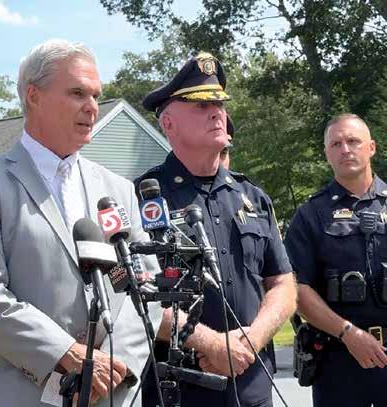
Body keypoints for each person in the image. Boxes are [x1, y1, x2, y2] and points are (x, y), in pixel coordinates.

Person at [0, 39, 161, 407]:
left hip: (112, 394)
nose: (92, 107)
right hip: (23, 396)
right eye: (78, 93)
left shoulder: (118, 190)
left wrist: (114, 367)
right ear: (34, 96)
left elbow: (146, 289)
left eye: (96, 95)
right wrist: (67, 354)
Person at [135, 52, 297, 407]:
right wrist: (210, 344)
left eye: (219, 104)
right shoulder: (143, 198)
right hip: (180, 390)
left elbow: (283, 285)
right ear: (168, 124)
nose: (216, 112)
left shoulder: (252, 197)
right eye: (201, 105)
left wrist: (252, 341)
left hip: (253, 387)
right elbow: (133, 293)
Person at [284, 113, 387, 406]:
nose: (345, 149)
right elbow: (295, 288)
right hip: (338, 359)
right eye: (336, 144)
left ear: (371, 147)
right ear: (327, 154)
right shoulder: (311, 215)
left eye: (353, 141)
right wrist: (347, 333)